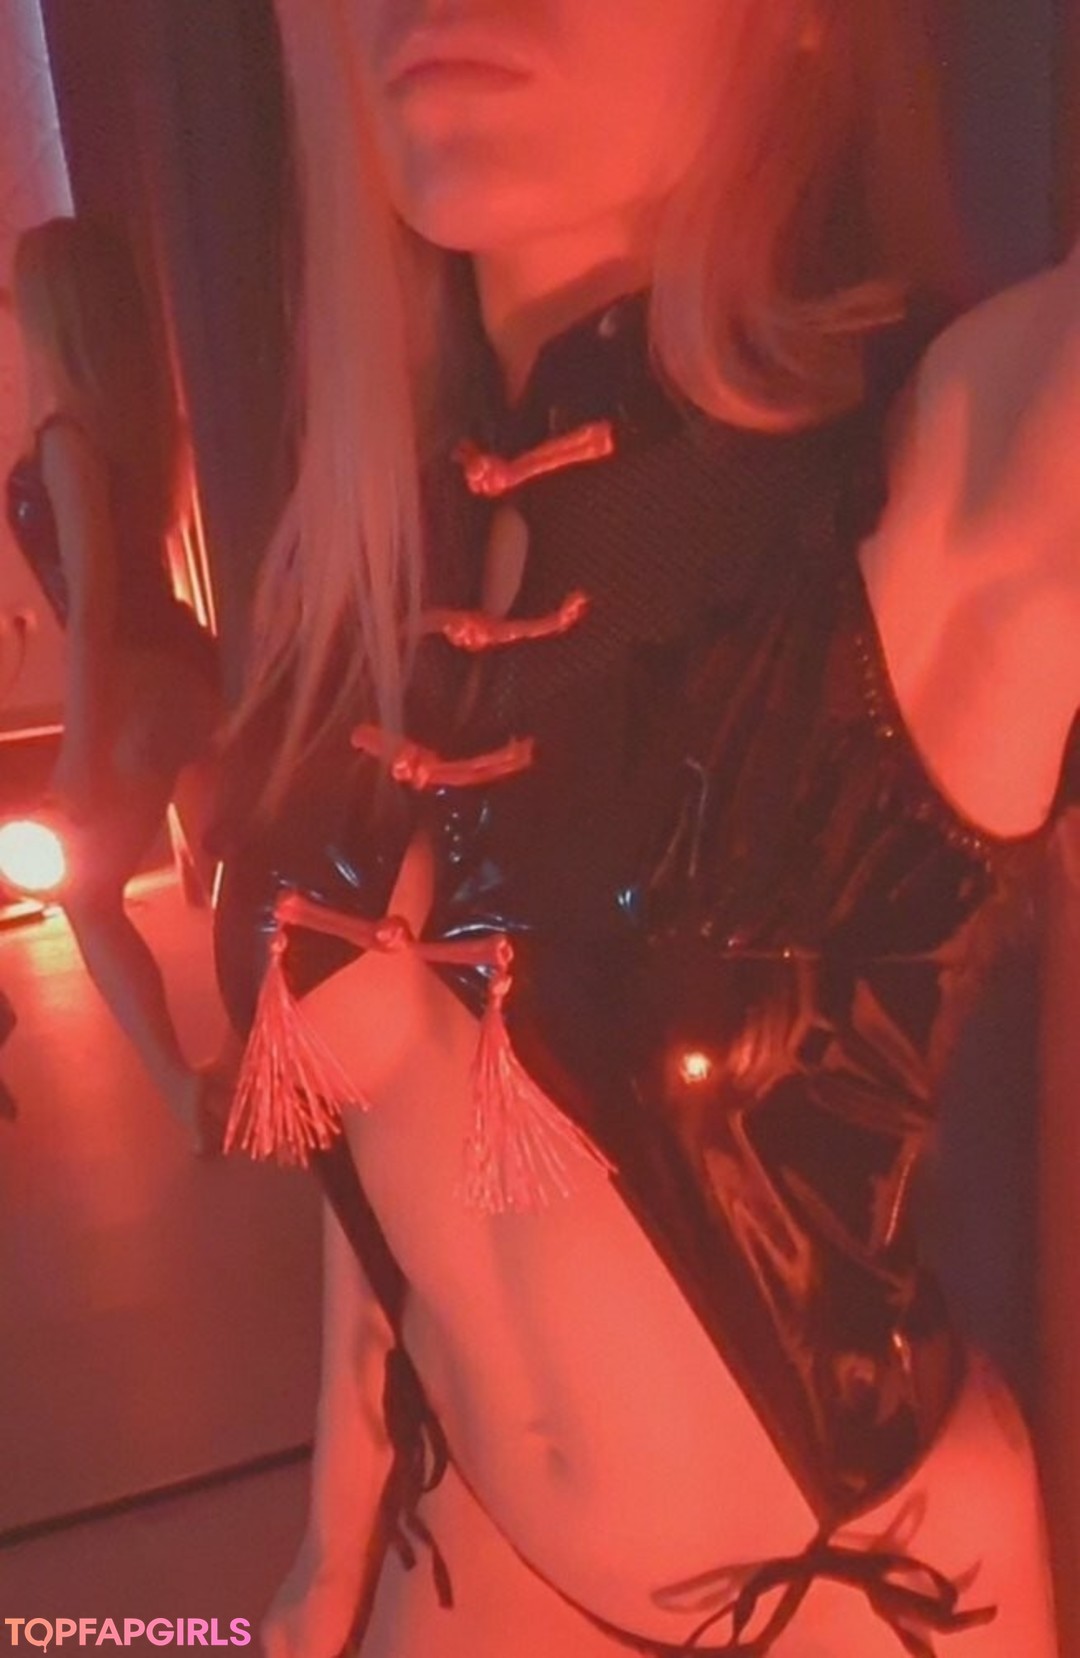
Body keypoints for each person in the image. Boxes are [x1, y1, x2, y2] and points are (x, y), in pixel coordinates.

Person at [213, 3, 1079, 1654]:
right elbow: (385, 1150)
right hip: (471, 1554)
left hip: (846, 1593)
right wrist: (330, 1540)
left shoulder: (934, 498)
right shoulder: (362, 577)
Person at [4, 216, 228, 1153]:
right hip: (187, 665)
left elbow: (93, 605)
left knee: (90, 901)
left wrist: (78, 754)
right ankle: (252, 1058)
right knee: (233, 863)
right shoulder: (129, 423)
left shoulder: (68, 437)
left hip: (135, 683)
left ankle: (185, 1093)